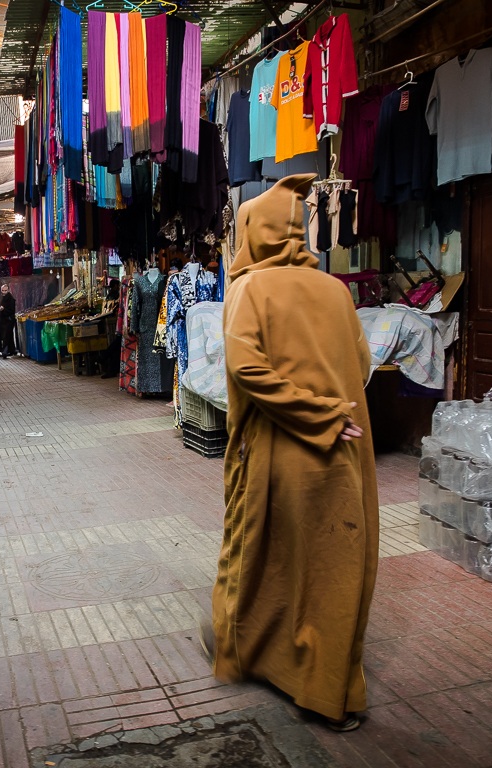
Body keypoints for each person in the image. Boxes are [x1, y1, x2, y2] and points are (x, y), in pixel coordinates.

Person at [205, 173, 378, 733]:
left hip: (283, 454)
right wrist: (334, 402)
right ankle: (332, 690)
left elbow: (245, 368)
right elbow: (366, 365)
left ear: (254, 232)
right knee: (333, 572)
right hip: (346, 453)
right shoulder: (335, 290)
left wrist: (312, 413)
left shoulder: (249, 290)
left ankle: (254, 655)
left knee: (267, 561)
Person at [0, 283, 17, 359]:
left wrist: (3, 309)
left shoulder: (10, 299)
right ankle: (11, 350)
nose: (4, 292)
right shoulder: (2, 297)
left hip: (8, 319)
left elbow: (12, 310)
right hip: (4, 320)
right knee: (8, 335)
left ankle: (5, 351)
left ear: (8, 290)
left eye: (5, 290)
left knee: (6, 335)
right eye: (3, 290)